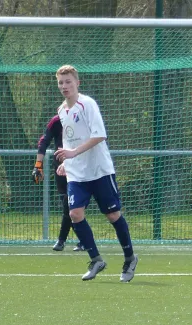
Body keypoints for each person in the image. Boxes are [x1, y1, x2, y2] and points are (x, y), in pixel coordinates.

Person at [52, 65, 138, 282]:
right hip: (77, 174)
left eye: (68, 81)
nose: (64, 86)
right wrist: (67, 160)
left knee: (112, 215)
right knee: (75, 214)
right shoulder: (62, 110)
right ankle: (96, 259)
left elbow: (99, 135)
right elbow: (70, 139)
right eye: (61, 82)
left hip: (99, 170)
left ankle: (129, 258)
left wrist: (73, 153)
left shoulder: (87, 104)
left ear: (77, 83)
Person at [32, 115, 84, 252]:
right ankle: (83, 241)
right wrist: (38, 166)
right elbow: (44, 141)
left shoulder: (81, 120)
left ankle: (63, 240)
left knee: (71, 206)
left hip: (78, 169)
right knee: (68, 206)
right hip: (60, 170)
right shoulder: (56, 121)